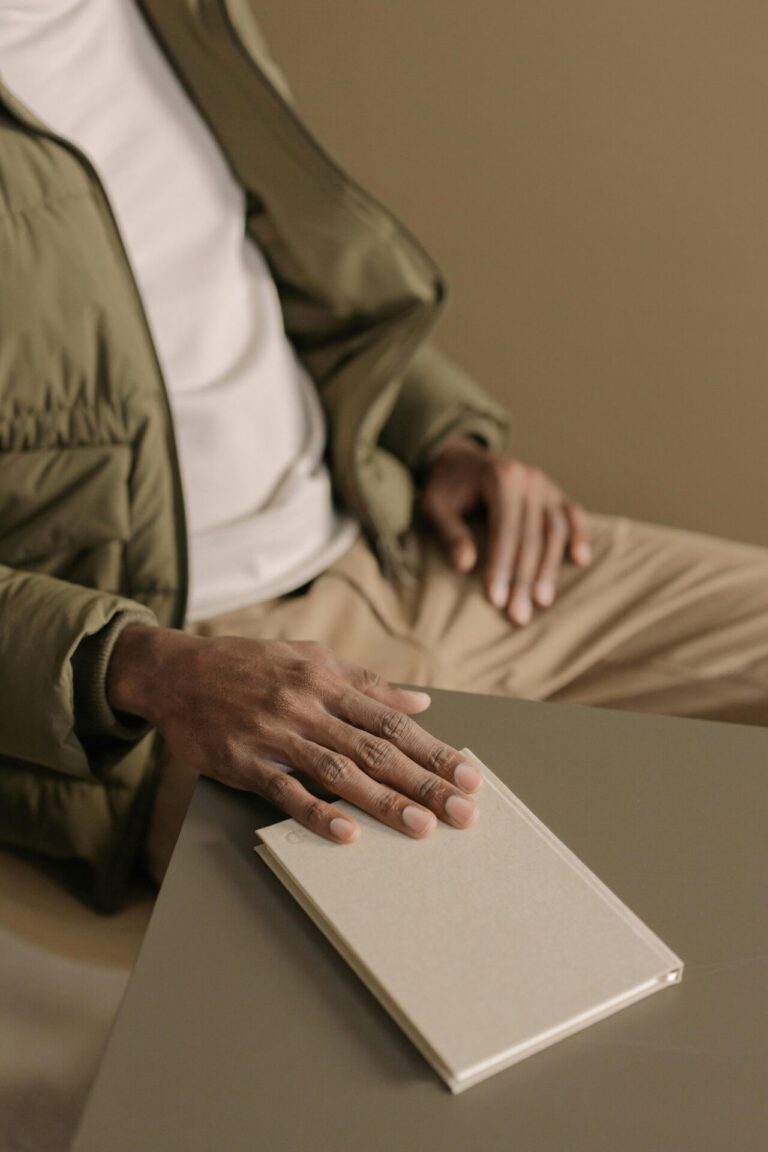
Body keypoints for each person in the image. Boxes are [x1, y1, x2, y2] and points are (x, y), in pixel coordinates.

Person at [2, 0, 768, 911]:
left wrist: (439, 434)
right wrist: (145, 666)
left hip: (404, 547)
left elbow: (254, 276)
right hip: (194, 671)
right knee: (495, 956)